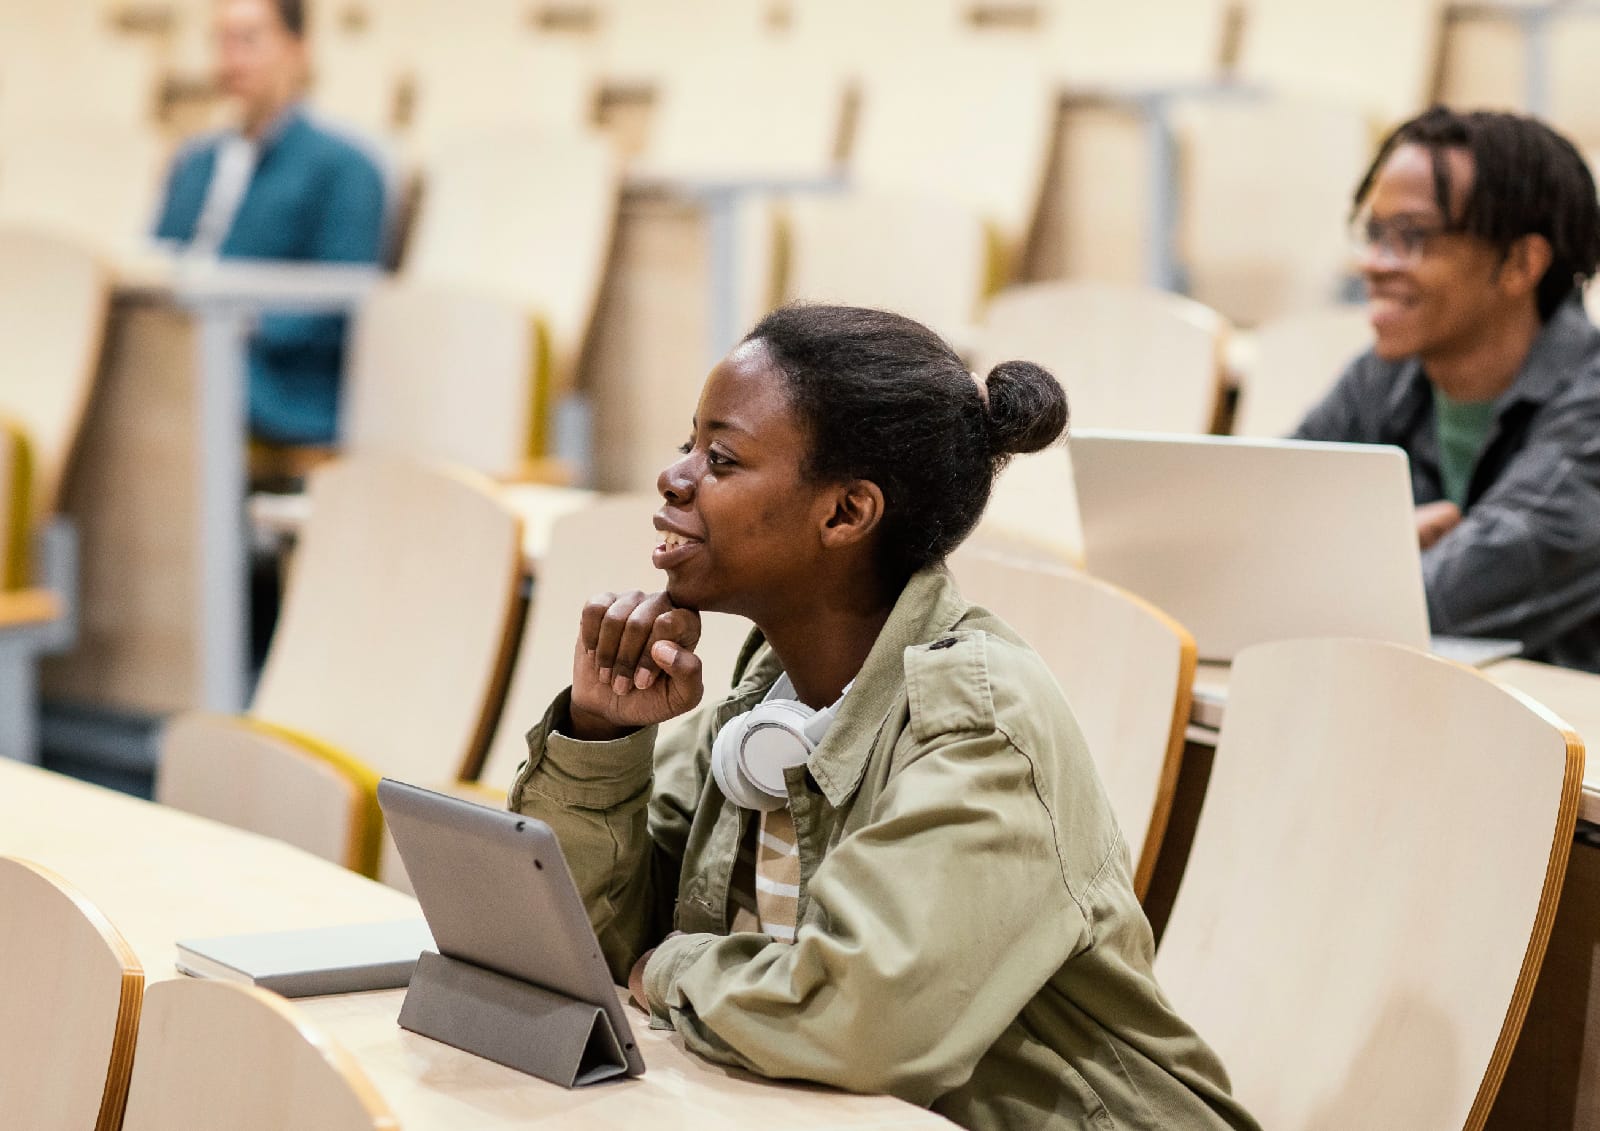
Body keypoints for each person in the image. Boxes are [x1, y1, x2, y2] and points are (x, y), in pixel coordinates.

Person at [507, 305, 1259, 1130]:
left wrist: (672, 969)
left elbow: (858, 1018)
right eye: (689, 443)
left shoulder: (981, 725)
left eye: (720, 457)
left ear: (845, 514)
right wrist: (601, 737)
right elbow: (576, 946)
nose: (674, 476)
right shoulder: (766, 699)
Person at [1294, 106, 1600, 672]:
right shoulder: (1384, 375)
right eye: (1374, 234)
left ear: (1519, 262)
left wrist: (1354, 550)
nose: (1372, 264)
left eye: (1410, 237)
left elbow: (1443, 600)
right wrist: (1380, 549)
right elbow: (1254, 522)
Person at [153, 0, 387, 449]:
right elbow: (158, 262)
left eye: (249, 40)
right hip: (183, 356)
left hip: (277, 386)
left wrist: (230, 326)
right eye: (221, 41)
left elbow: (342, 307)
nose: (231, 59)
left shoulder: (346, 168)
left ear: (298, 50)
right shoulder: (193, 163)